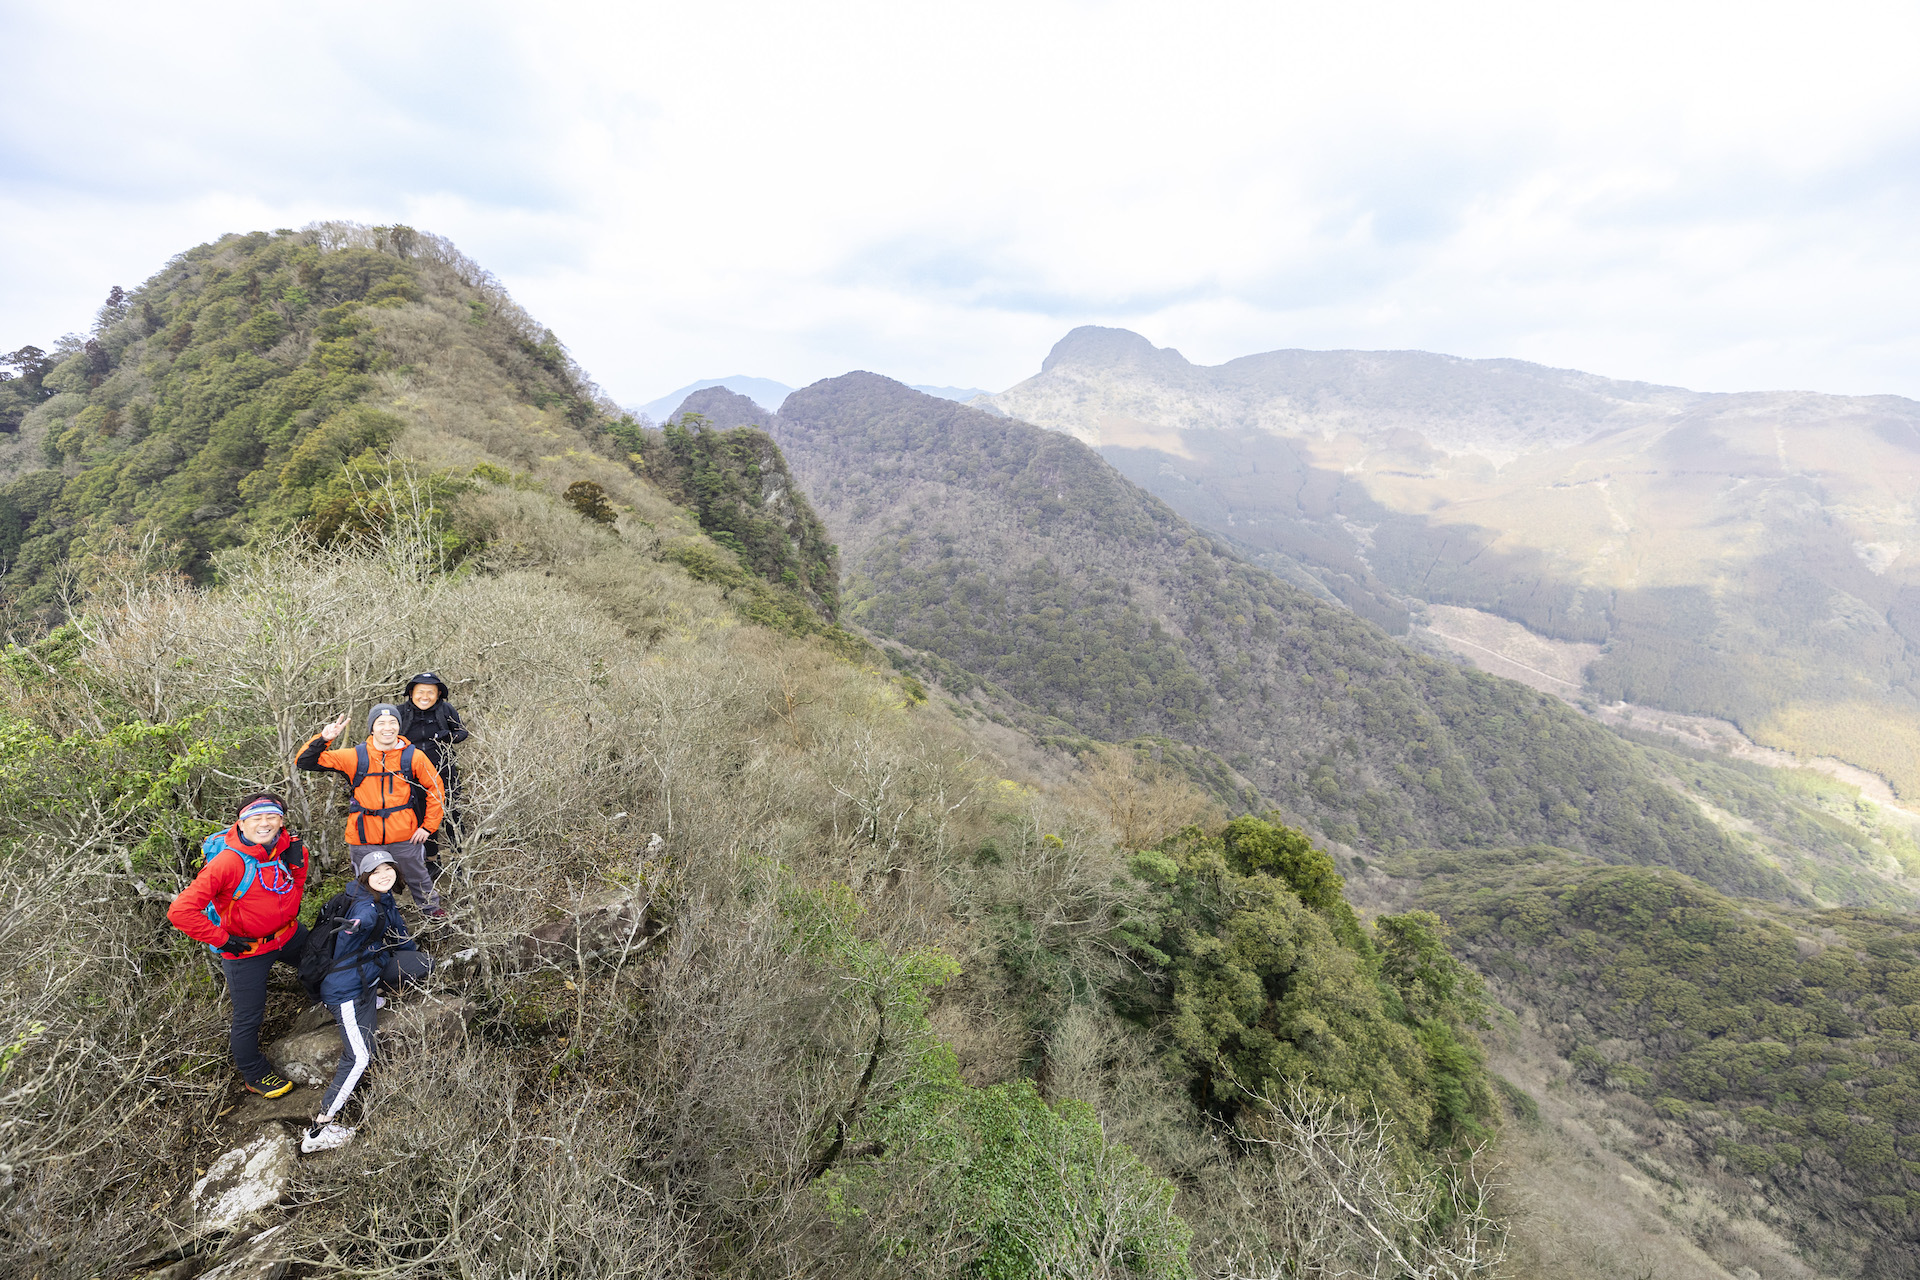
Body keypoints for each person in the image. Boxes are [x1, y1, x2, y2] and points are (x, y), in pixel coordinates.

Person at [167, 794, 310, 1099]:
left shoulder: (291, 849)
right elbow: (180, 911)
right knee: (249, 1016)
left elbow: (296, 882)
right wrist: (223, 939)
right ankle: (254, 1074)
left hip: (288, 934)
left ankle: (326, 1004)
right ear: (241, 823)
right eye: (256, 818)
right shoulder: (227, 862)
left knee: (324, 964)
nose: (264, 823)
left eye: (271, 817)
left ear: (281, 821)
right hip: (245, 950)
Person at [302, 852, 433, 1154]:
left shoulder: (380, 897)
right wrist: (358, 924)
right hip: (346, 991)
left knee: (422, 963)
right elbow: (357, 926)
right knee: (360, 1057)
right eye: (377, 870)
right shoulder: (365, 907)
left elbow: (399, 935)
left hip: (368, 971)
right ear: (364, 875)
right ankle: (318, 1129)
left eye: (389, 868)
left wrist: (409, 955)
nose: (385, 874)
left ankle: (374, 995)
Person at [297, 704, 448, 918]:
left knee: (418, 876)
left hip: (404, 833)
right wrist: (324, 738)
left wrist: (428, 827)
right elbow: (304, 761)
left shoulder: (413, 757)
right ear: (372, 728)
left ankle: (433, 914)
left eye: (393, 722)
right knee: (367, 883)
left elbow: (436, 789)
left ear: (399, 726)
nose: (388, 728)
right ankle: (375, 920)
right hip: (363, 836)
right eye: (381, 723)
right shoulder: (354, 756)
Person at [396, 672, 467, 879]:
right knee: (423, 817)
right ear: (411, 693)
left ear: (438, 695)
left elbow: (462, 733)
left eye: (430, 692)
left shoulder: (445, 710)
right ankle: (432, 861)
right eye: (420, 692)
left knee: (453, 814)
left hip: (445, 770)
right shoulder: (400, 713)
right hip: (412, 775)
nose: (425, 696)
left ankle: (459, 860)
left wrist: (449, 736)